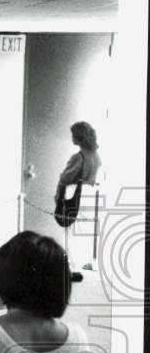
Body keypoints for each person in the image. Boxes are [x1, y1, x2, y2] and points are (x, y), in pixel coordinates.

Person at [55, 121, 103, 282]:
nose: (72, 138)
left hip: (75, 193)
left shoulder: (78, 157)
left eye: (74, 135)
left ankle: (70, 268)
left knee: (70, 232)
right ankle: (76, 266)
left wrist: (58, 196)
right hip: (89, 194)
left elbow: (65, 178)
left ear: (79, 137)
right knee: (82, 232)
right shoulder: (96, 156)